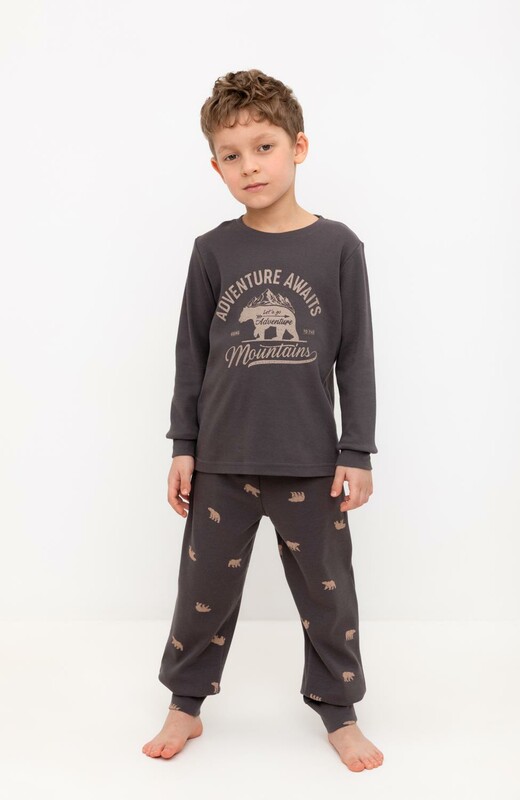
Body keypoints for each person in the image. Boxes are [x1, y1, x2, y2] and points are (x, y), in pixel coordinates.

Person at [142, 69, 384, 772]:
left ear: (298, 147)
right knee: (202, 594)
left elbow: (356, 357)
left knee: (328, 596)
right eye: (231, 154)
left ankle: (337, 711)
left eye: (264, 147)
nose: (249, 166)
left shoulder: (338, 247)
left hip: (311, 462)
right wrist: (183, 446)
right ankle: (184, 705)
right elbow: (190, 355)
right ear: (214, 165)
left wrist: (356, 450)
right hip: (221, 460)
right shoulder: (213, 250)